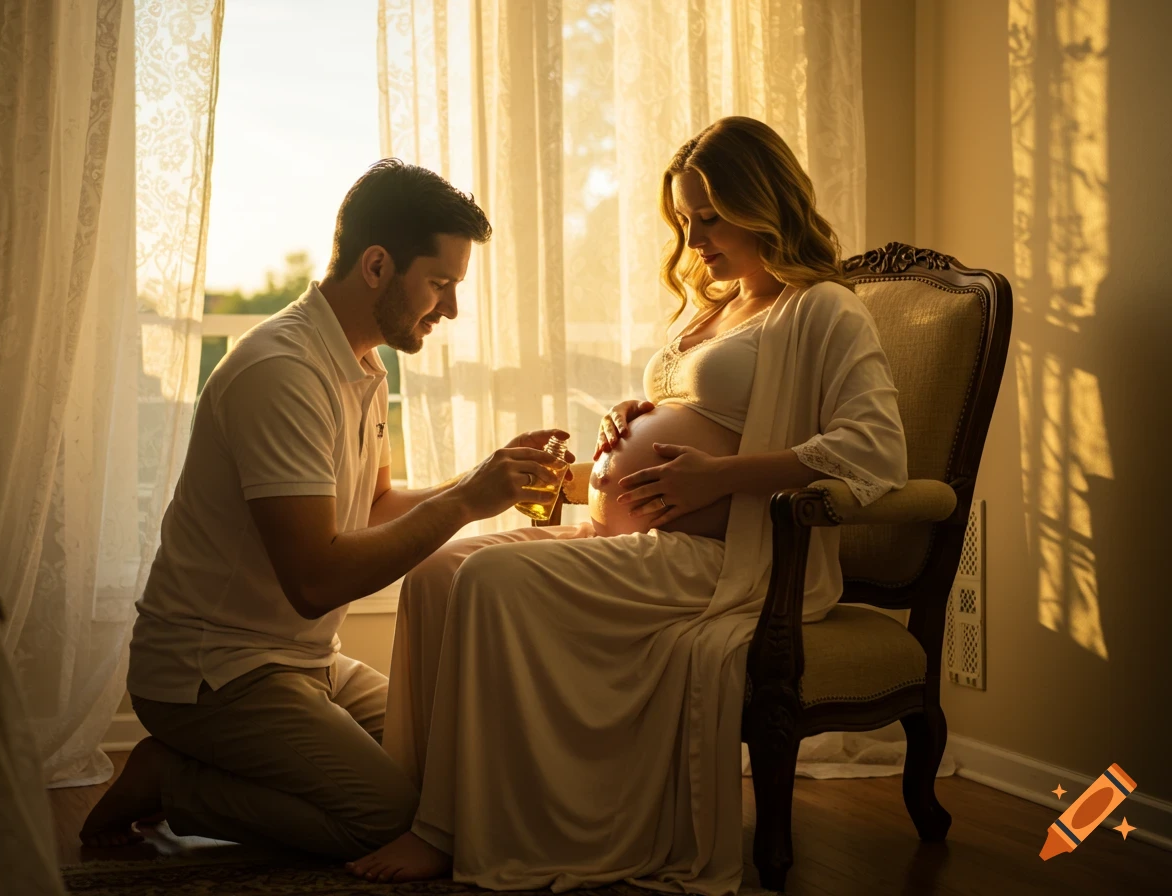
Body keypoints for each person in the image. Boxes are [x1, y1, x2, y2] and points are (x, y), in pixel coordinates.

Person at [346, 117, 909, 895]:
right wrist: (633, 418)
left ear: (763, 199)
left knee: (487, 584)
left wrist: (721, 475)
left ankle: (447, 831)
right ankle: (419, 804)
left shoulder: (821, 311)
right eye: (685, 218)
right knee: (438, 572)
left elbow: (876, 452)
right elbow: (710, 410)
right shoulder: (708, 312)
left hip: (725, 560)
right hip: (636, 537)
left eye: (709, 215)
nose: (695, 235)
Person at [79, 159, 576, 858]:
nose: (451, 310)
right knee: (387, 819)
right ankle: (170, 781)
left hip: (304, 662)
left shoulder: (361, 360)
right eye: (440, 284)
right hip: (214, 672)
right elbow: (314, 581)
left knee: (451, 773)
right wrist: (468, 500)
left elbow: (372, 505)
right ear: (377, 266)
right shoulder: (282, 372)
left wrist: (488, 477)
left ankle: (222, 772)